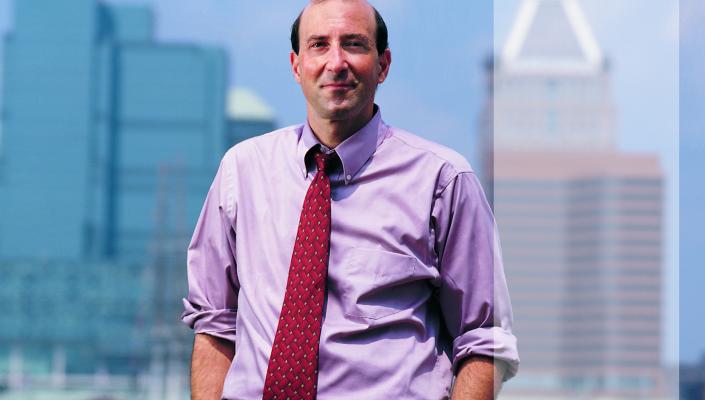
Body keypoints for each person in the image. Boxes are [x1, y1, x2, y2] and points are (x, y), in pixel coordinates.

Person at [181, 0, 519, 398]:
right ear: (296, 65)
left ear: (383, 65)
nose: (336, 62)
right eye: (319, 45)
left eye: (354, 44)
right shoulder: (242, 170)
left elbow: (484, 339)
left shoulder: (442, 180)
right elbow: (215, 324)